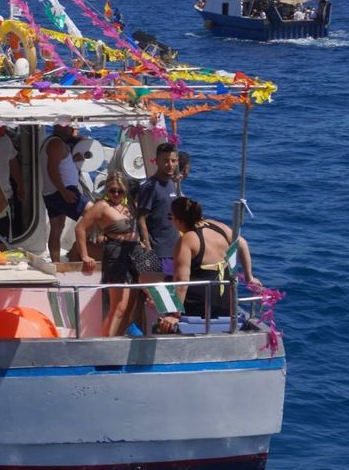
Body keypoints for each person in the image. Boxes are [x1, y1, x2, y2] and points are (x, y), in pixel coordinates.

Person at [156, 197, 261, 333]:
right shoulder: (218, 226)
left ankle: (159, 318)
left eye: (170, 217)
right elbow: (242, 244)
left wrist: (174, 314)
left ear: (179, 220)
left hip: (199, 305)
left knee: (146, 278)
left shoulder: (187, 241)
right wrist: (249, 277)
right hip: (226, 304)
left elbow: (181, 282)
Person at [74, 177, 157, 336]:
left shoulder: (128, 206)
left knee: (130, 306)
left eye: (120, 191)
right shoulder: (102, 206)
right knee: (119, 306)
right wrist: (84, 255)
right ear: (106, 189)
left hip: (134, 254)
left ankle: (118, 340)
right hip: (116, 255)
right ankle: (107, 343)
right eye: (112, 190)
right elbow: (80, 228)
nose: (116, 194)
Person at [136, 142, 181, 276]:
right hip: (159, 252)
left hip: (174, 249)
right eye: (166, 161)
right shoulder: (150, 187)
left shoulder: (172, 184)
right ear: (157, 161)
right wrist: (148, 248)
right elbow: (141, 219)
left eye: (173, 160)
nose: (170, 164)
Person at [42, 123, 85, 261]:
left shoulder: (53, 142)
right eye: (69, 125)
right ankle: (76, 252)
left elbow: (59, 164)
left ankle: (56, 263)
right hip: (63, 191)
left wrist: (72, 160)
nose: (72, 128)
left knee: (57, 228)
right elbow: (52, 169)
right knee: (93, 214)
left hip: (51, 192)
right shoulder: (56, 143)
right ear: (59, 126)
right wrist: (63, 191)